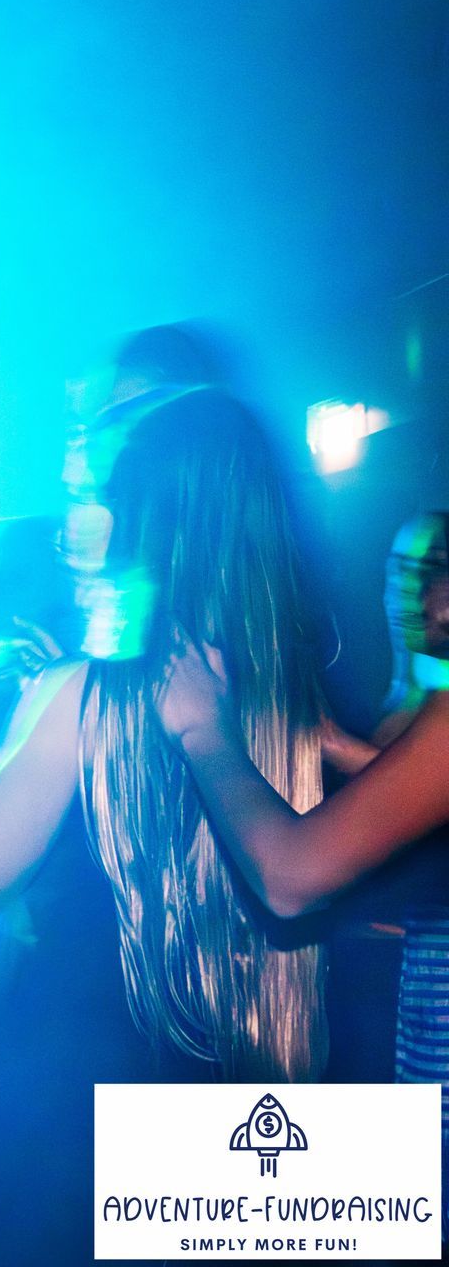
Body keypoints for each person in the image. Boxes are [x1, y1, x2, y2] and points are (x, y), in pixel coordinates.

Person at [0, 386, 328, 1265]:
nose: (69, 522)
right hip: (246, 1128)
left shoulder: (88, 696)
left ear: (156, 515)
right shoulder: (280, 687)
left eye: (95, 495)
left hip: (78, 1117)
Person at [158, 509, 449, 1195]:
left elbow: (292, 876)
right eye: (402, 570)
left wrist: (203, 729)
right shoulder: (405, 707)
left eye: (436, 571)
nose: (418, 591)